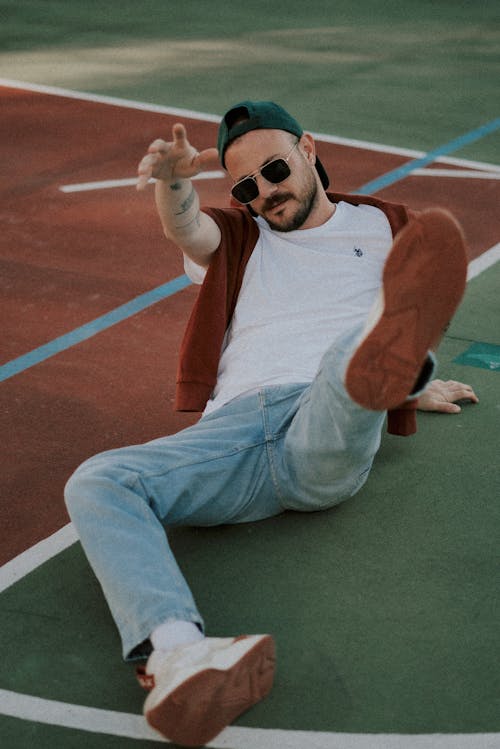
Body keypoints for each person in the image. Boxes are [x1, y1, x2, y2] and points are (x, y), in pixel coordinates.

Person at [65, 100, 478, 747]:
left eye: (277, 169)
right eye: (246, 186)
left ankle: (396, 370)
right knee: (97, 479)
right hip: (230, 435)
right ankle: (179, 652)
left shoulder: (386, 224)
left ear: (309, 148)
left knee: (347, 355)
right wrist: (175, 181)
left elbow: (413, 290)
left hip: (323, 417)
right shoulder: (239, 238)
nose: (266, 191)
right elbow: (186, 227)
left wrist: (395, 386)